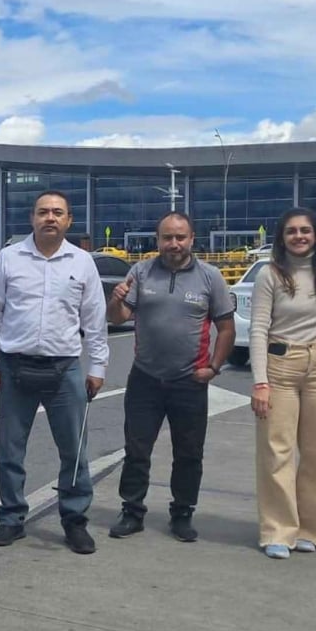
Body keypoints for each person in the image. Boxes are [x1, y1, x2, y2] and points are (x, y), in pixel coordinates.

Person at [0, 190, 108, 555]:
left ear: (69, 221)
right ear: (32, 218)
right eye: (43, 212)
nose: (50, 218)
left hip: (63, 370)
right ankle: (11, 518)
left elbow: (94, 320)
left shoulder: (82, 263)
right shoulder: (9, 258)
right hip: (13, 369)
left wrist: (97, 367)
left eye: (58, 213)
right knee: (10, 450)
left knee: (74, 451)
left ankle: (74, 519)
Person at [106, 211, 235, 543]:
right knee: (136, 449)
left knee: (189, 452)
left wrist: (214, 367)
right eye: (167, 237)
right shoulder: (141, 272)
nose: (173, 244)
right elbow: (119, 318)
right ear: (158, 239)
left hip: (189, 381)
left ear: (192, 239)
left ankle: (182, 513)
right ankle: (132, 511)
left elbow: (226, 328)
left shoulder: (210, 277)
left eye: (180, 237)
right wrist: (116, 301)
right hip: (145, 379)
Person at [249, 208, 316, 559]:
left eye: (305, 231)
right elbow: (258, 329)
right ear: (281, 237)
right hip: (281, 367)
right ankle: (278, 530)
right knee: (278, 451)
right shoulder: (270, 275)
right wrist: (260, 382)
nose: (299, 236)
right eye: (291, 231)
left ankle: (311, 529)